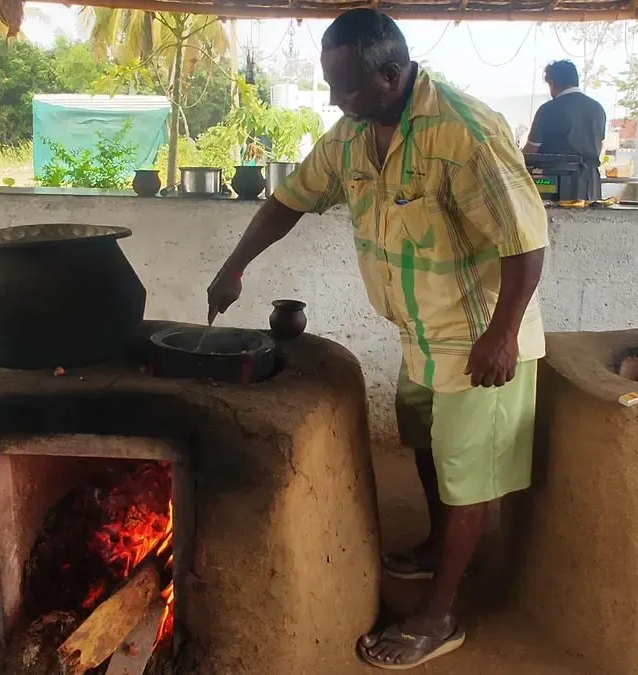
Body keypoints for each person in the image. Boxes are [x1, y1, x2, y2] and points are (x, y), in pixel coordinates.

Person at [205, 9, 547, 670]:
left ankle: (439, 616)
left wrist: (503, 334)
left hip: (479, 337)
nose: (336, 99)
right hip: (420, 331)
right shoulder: (354, 133)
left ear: (391, 75)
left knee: (467, 476)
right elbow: (291, 199)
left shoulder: (464, 131)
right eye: (331, 84)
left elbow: (526, 241)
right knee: (425, 443)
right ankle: (436, 545)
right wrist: (235, 266)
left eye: (348, 87)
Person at [523, 60, 607, 201]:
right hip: (590, 183)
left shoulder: (549, 109)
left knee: (555, 215)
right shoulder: (597, 108)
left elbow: (531, 151)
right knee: (588, 214)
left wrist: (515, 160)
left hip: (555, 183)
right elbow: (598, 145)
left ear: (552, 83)